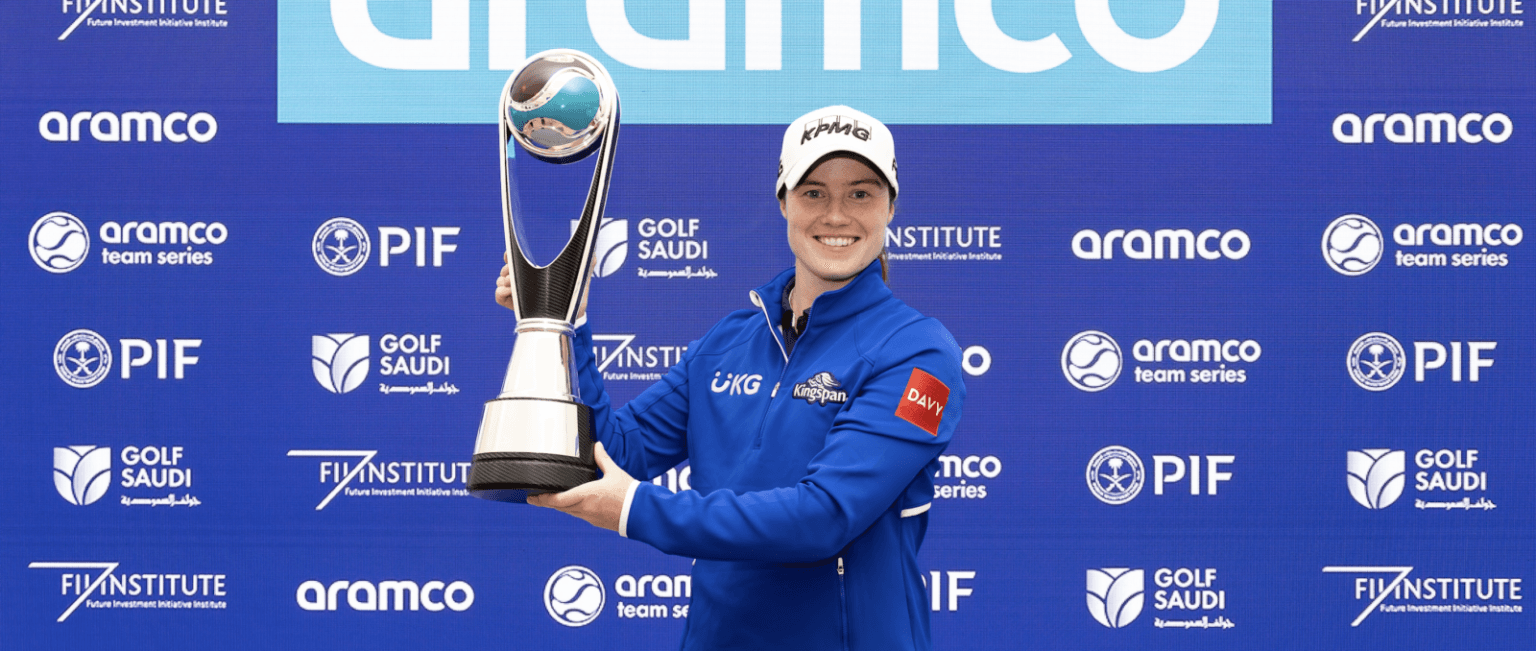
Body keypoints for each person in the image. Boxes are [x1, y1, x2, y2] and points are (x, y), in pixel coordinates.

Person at [496, 105, 966, 651]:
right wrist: (564, 325)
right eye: (814, 192)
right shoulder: (729, 341)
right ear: (784, 202)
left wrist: (635, 508)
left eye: (860, 193)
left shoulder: (918, 352)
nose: (837, 215)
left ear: (890, 208)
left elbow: (824, 517)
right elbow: (616, 453)